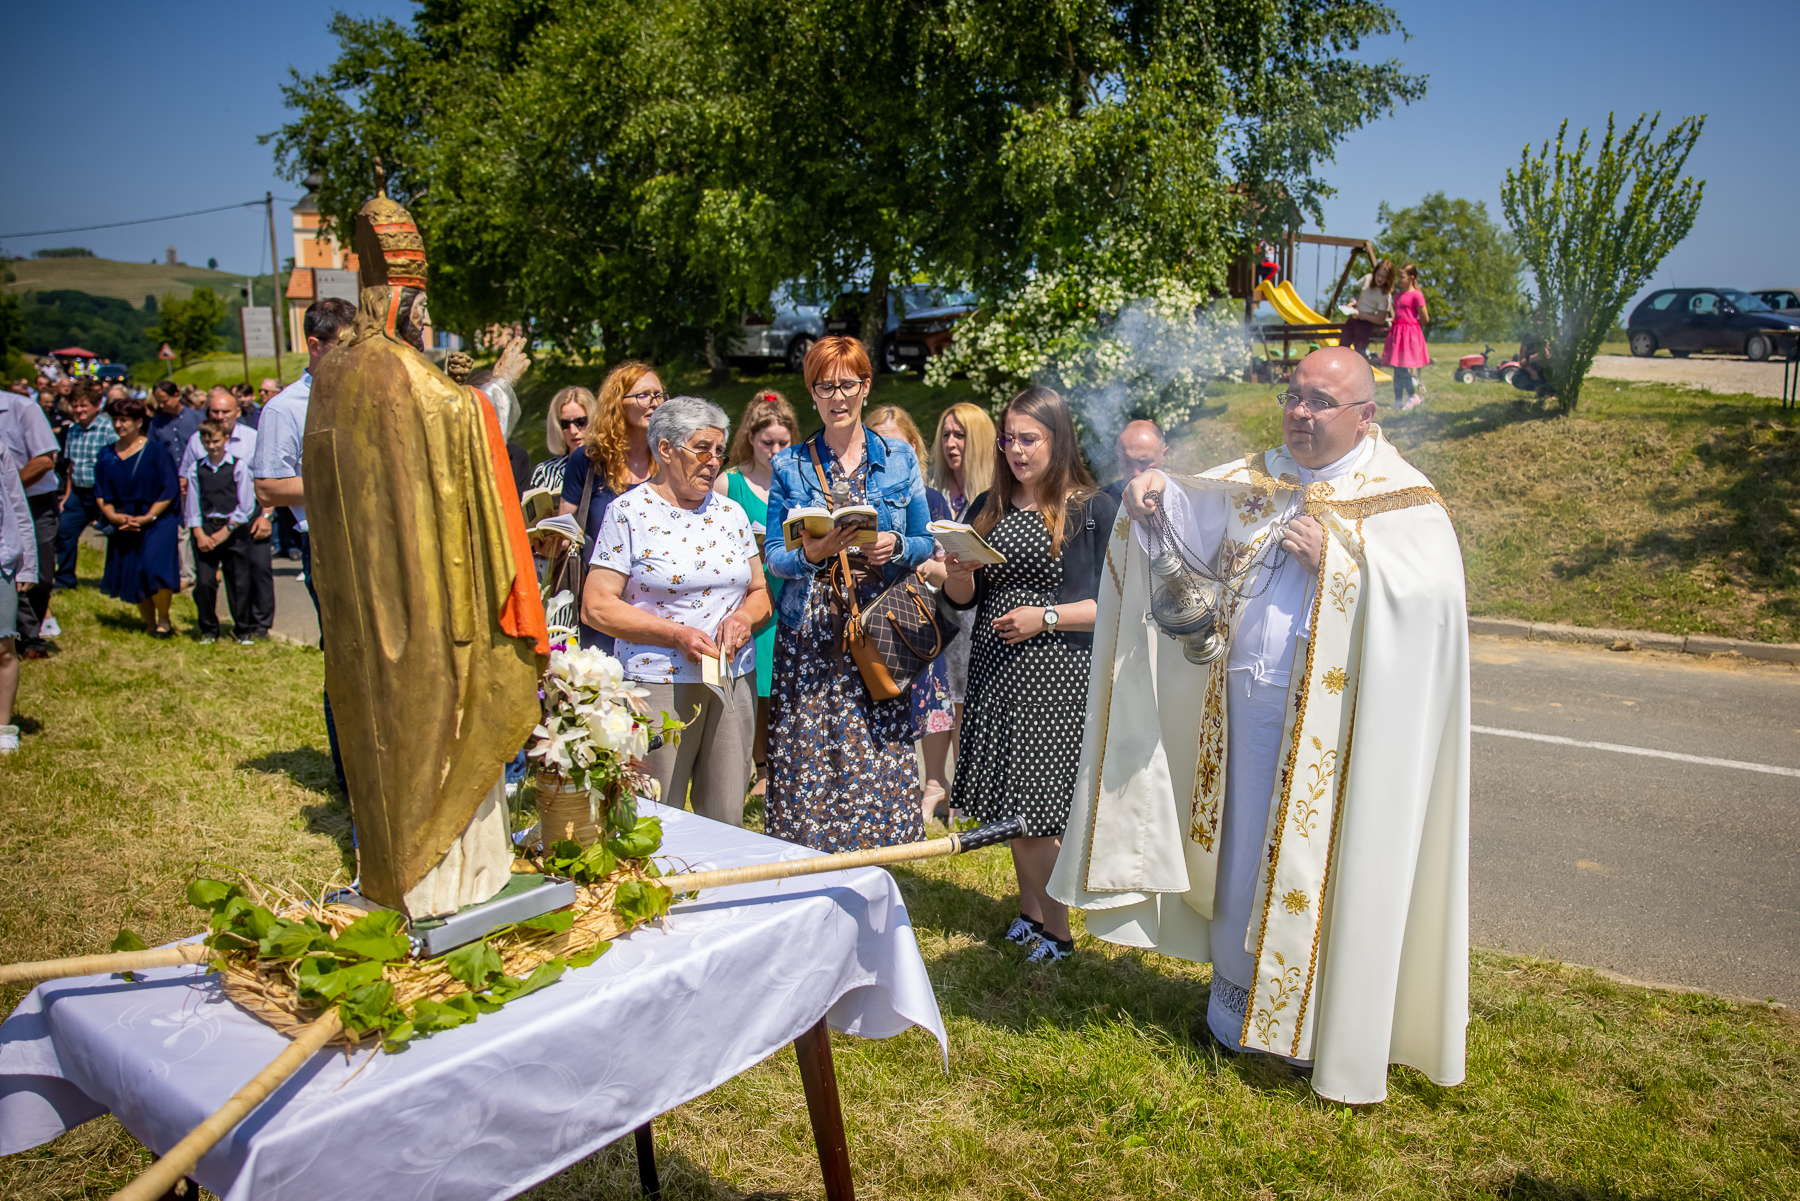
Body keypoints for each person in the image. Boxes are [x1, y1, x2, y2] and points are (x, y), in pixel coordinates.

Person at [1054, 345, 1470, 1104]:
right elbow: (1186, 507)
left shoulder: (1402, 502)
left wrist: (1343, 564)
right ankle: (1236, 1014)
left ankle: (1315, 1033)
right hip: (1244, 719)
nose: (1301, 414)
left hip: (1342, 737)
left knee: (1324, 869)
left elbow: (1433, 606)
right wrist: (1150, 490)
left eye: (1320, 403)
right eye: (1294, 396)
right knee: (1245, 855)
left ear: (1365, 416)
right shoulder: (1262, 476)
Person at [307, 192, 548, 918]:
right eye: (422, 303)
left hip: (362, 595)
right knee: (439, 725)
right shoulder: (394, 371)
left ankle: (394, 868)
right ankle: (442, 881)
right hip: (426, 601)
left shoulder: (333, 373)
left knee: (381, 728)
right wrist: (500, 385)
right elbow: (461, 424)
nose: (425, 316)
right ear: (408, 295)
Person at [942, 386, 1118, 964]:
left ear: (1058, 439)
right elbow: (964, 599)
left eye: (1030, 439)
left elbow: (1115, 604)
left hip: (1056, 673)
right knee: (1011, 801)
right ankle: (1030, 911)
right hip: (997, 668)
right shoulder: (989, 506)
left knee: (1041, 807)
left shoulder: (1090, 509)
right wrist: (959, 570)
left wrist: (1044, 617)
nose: (1016, 450)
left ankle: (1060, 935)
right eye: (1010, 439)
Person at [763, 336, 935, 851]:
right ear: (812, 393)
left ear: (866, 386)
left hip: (877, 621)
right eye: (824, 386)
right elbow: (774, 551)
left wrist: (896, 544)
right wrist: (812, 555)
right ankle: (810, 854)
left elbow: (926, 539)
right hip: (814, 625)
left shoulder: (900, 459)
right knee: (810, 744)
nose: (837, 397)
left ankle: (874, 855)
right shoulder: (790, 464)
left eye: (847, 384)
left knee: (877, 740)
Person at [584, 396, 768, 824]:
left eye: (720, 451)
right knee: (652, 813)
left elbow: (759, 591)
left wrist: (743, 619)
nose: (713, 462)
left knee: (727, 814)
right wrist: (674, 635)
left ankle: (720, 889)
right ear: (665, 449)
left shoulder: (732, 513)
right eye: (702, 449)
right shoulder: (628, 512)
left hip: (731, 679)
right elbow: (596, 606)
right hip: (657, 684)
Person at [251, 296, 360, 788]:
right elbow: (270, 487)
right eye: (342, 346)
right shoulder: (284, 409)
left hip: (377, 542)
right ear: (314, 345)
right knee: (346, 659)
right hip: (328, 547)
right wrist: (346, 480)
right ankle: (350, 776)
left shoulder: (364, 396)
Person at [866, 403, 957, 824]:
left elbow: (947, 564)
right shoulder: (860, 495)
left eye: (898, 444)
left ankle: (934, 783)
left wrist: (927, 564)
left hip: (917, 613)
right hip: (869, 616)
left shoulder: (932, 498)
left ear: (915, 447)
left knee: (930, 697)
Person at [711, 390, 800, 799]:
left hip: (791, 590)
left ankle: (787, 766)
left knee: (787, 684)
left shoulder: (796, 478)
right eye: (768, 443)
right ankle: (761, 768)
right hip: (750, 593)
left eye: (784, 442)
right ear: (750, 438)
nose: (776, 451)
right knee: (757, 684)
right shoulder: (729, 483)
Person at [557, 361, 664, 650]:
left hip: (661, 602)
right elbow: (566, 528)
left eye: (658, 395)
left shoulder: (671, 458)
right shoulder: (587, 459)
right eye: (644, 395)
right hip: (603, 604)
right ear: (618, 403)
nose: (654, 403)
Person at [927, 401, 997, 819]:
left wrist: (940, 568)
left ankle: (971, 795)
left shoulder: (993, 498)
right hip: (936, 611)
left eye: (961, 435)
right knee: (939, 700)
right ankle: (940, 785)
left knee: (968, 702)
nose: (951, 443)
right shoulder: (935, 493)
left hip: (976, 613)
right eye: (946, 435)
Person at [181, 387, 271, 637]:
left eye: (226, 411)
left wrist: (266, 515)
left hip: (247, 514)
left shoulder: (251, 438)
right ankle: (214, 627)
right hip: (210, 518)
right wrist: (196, 527)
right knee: (209, 579)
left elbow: (268, 478)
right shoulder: (197, 441)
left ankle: (256, 626)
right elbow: (187, 481)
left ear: (238, 412)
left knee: (254, 572)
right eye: (215, 411)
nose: (220, 416)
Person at [93, 394, 180, 636]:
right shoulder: (106, 454)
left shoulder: (156, 452)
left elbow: (169, 488)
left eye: (125, 420)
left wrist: (148, 517)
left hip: (157, 521)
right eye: (116, 420)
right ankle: (149, 623)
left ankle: (164, 618)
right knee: (134, 572)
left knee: (154, 569)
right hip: (123, 521)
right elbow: (100, 491)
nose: (119, 425)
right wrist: (112, 516)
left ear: (139, 421)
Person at [0, 379, 61, 658]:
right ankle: (25, 637)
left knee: (41, 573)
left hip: (35, 501)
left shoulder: (22, 407)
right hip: (5, 504)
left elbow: (45, 459)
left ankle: (31, 635)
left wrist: (10, 488)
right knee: (7, 568)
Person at [185, 418, 257, 644]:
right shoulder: (195, 468)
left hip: (232, 528)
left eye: (216, 441)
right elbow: (192, 504)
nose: (212, 446)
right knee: (205, 582)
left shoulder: (238, 466)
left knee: (239, 581)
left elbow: (246, 504)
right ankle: (209, 629)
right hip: (206, 526)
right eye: (207, 441)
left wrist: (227, 529)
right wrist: (198, 532)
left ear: (226, 439)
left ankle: (243, 629)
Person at [52, 382, 115, 590]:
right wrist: (68, 495)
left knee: (114, 536)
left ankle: (113, 580)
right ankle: (65, 579)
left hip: (103, 492)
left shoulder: (108, 428)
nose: (78, 410)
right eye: (75, 406)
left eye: (83, 406)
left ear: (96, 405)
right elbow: (71, 465)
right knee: (65, 532)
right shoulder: (73, 430)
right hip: (78, 492)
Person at [0, 443, 34, 753]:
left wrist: (29, 565)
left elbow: (17, 505)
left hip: (0, 562)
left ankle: (3, 726)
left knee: (2, 648)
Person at [1381, 263, 1430, 410]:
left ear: (1411, 277)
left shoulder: (1416, 295)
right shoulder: (1397, 296)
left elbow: (1425, 319)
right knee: (1396, 368)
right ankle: (1397, 401)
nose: (1399, 280)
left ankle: (1412, 396)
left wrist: (1411, 326)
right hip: (1398, 334)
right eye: (1399, 277)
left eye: (1402, 277)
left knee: (1403, 368)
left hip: (1410, 335)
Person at [529, 385, 593, 495]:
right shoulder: (544, 472)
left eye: (581, 422)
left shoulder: (616, 465)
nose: (573, 431)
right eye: (565, 424)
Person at [1103, 419, 1168, 502]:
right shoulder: (1103, 501)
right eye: (1128, 462)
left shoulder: (1184, 497)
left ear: (1164, 455)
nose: (1136, 473)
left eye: (1144, 462)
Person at [1342, 259, 1395, 358]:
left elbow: (1381, 319)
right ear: (1374, 273)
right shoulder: (1367, 278)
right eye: (1378, 275)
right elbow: (1358, 292)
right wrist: (1354, 302)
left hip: (1365, 323)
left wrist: (1362, 315)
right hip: (1353, 317)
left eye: (1383, 277)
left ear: (1388, 279)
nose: (1379, 279)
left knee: (1359, 352)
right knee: (1342, 347)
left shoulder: (1385, 295)